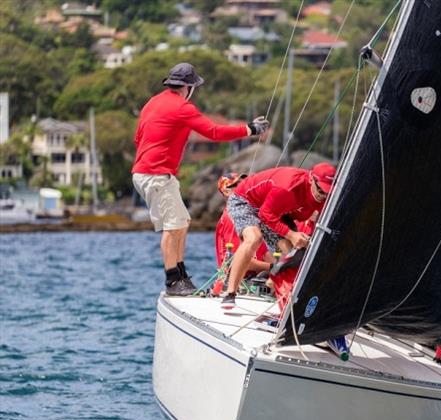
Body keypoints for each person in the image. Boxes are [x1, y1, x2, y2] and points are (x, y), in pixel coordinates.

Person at [132, 62, 270, 296]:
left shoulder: (152, 102)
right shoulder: (182, 107)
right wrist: (250, 130)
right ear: (188, 87)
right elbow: (214, 132)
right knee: (173, 225)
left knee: (182, 222)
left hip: (149, 172)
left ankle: (181, 275)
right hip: (156, 174)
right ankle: (173, 281)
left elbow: (138, 138)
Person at [221, 163, 336, 310]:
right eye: (320, 190)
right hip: (246, 201)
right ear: (311, 179)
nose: (322, 195)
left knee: (293, 253)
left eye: (327, 192)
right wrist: (292, 234)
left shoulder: (323, 197)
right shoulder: (287, 186)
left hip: (278, 210)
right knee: (254, 238)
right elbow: (265, 214)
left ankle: (288, 304)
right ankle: (230, 294)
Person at [215, 173, 271, 276]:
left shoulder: (247, 216)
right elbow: (239, 260)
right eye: (237, 185)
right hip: (240, 282)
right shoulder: (231, 217)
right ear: (226, 192)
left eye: (244, 183)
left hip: (256, 277)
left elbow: (264, 253)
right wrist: (274, 267)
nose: (244, 187)